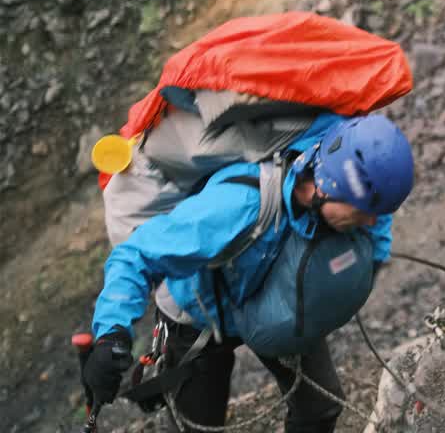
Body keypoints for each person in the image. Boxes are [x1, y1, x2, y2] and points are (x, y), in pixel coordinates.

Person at [81, 113, 414, 433]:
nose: (370, 222)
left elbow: (378, 218)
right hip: (198, 318)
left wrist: (371, 262)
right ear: (325, 187)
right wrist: (112, 333)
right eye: (362, 212)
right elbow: (136, 254)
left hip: (276, 295)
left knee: (320, 407)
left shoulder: (346, 176)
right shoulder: (237, 206)